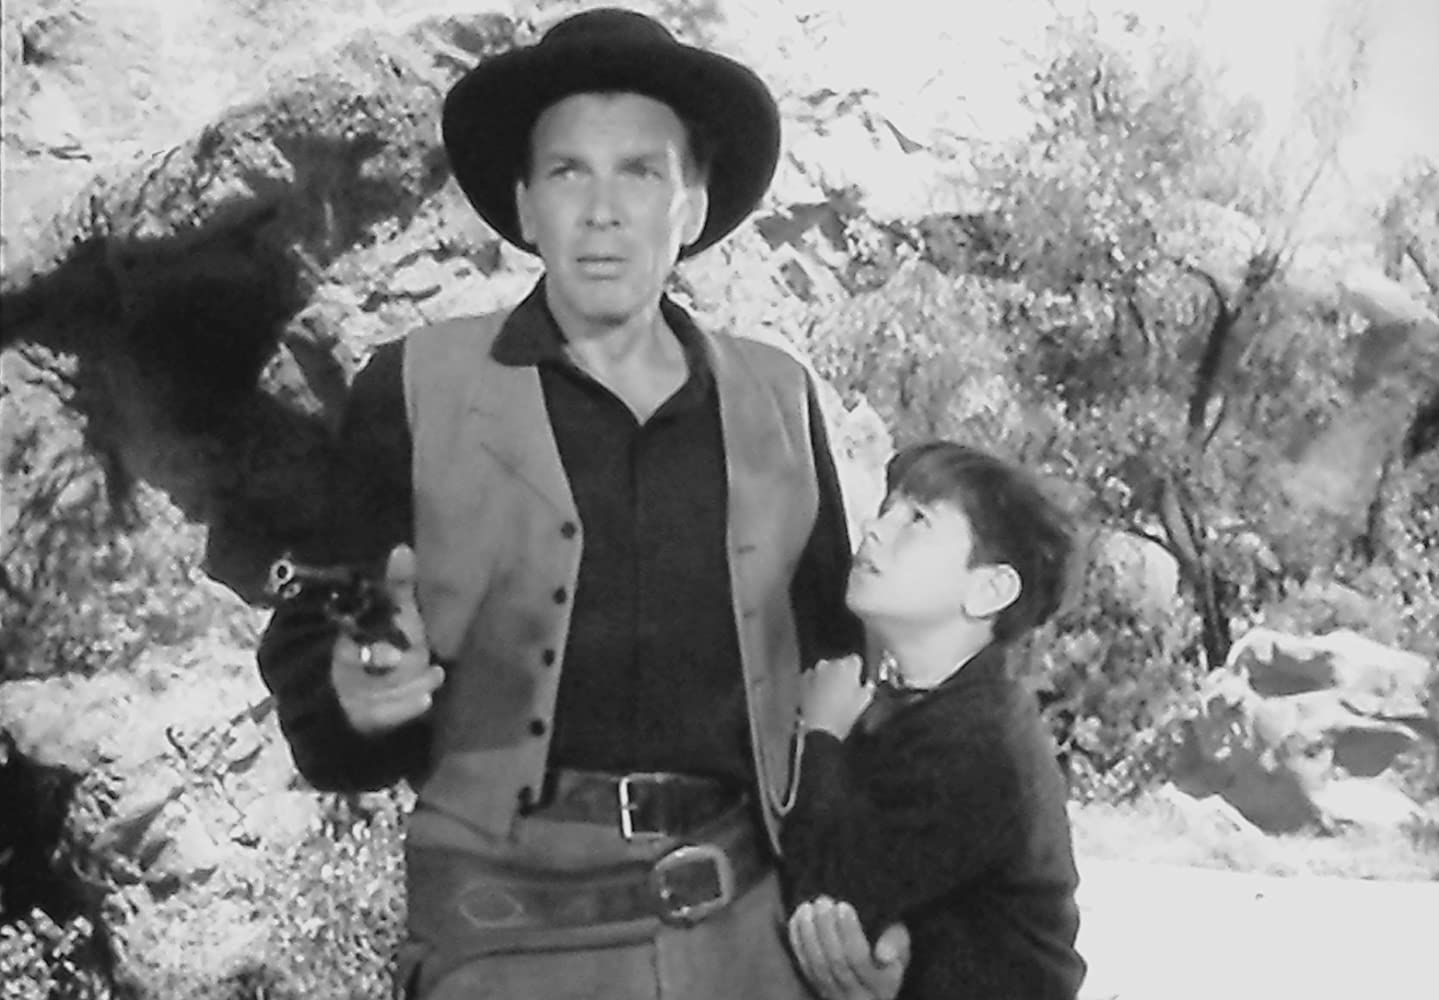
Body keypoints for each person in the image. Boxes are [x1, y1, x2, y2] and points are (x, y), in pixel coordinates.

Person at [257, 8, 908, 999]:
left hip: (746, 932)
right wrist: (349, 692)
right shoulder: (415, 389)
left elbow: (835, 664)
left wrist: (856, 889)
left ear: (691, 203)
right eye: (567, 172)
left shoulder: (777, 397)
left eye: (640, 171)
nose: (602, 210)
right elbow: (320, 638)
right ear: (525, 206)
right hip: (504, 939)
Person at [781, 441, 1088, 999]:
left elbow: (825, 898)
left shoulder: (980, 744)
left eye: (917, 520)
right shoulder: (935, 708)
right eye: (887, 509)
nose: (876, 531)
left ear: (989, 590)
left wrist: (820, 735)